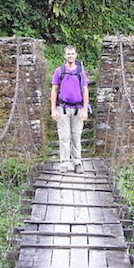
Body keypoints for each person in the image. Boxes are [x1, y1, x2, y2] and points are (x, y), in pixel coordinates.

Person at [50, 44, 89, 172]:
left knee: (76, 136)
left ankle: (77, 163)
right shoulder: (58, 71)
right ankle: (64, 163)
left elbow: (85, 90)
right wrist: (53, 109)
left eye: (72, 54)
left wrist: (84, 109)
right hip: (63, 108)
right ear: (64, 55)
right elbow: (54, 90)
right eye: (68, 54)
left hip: (78, 109)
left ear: (75, 55)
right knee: (64, 137)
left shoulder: (80, 71)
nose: (70, 56)